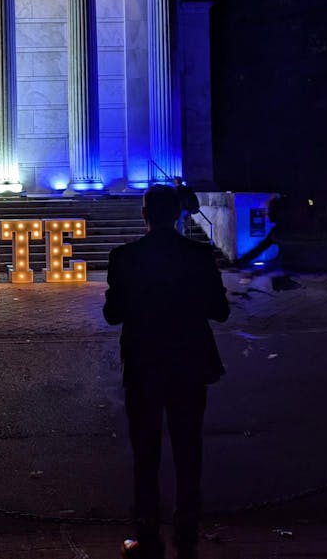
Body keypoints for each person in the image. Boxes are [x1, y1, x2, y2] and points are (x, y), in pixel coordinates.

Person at [103, 185, 229, 559]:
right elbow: (220, 311)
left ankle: (147, 531)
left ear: (144, 215)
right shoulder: (199, 255)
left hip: (144, 364)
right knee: (189, 447)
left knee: (146, 451)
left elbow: (113, 315)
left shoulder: (125, 257)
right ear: (177, 214)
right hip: (189, 363)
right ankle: (187, 526)